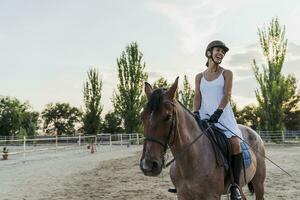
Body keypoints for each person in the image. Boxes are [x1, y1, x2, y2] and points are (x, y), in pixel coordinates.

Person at [193, 40, 243, 200]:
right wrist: (195, 112)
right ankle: (185, 179)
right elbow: (197, 97)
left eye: (223, 52)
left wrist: (218, 112)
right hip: (203, 118)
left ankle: (234, 186)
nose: (221, 53)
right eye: (218, 50)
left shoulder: (227, 73)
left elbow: (227, 94)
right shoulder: (199, 76)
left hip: (223, 117)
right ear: (209, 53)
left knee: (235, 144)